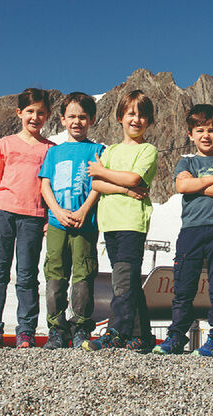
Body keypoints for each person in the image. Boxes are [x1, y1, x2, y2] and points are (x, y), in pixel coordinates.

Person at [152, 104, 213, 357]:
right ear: (190, 134)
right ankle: (177, 336)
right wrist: (211, 180)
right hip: (190, 232)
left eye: (212, 130)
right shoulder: (185, 161)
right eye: (199, 130)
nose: (206, 135)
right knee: (183, 288)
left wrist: (195, 184)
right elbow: (181, 186)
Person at [82, 90, 158, 352]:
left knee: (122, 280)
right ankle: (142, 335)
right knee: (128, 280)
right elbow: (97, 183)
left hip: (132, 223)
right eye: (131, 114)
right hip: (110, 223)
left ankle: (116, 331)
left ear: (149, 121)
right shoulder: (111, 150)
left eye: (142, 115)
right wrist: (121, 187)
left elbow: (134, 178)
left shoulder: (148, 150)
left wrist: (105, 173)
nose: (136, 120)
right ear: (120, 117)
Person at [0, 88, 55, 349]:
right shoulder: (5, 144)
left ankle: (26, 330)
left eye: (41, 112)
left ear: (48, 116)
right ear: (19, 113)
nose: (35, 117)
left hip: (33, 218)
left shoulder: (50, 149)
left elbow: (50, 188)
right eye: (30, 111)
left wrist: (47, 218)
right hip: (3, 215)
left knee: (27, 276)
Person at [39, 92, 105, 349]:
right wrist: (56, 210)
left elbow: (98, 184)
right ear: (62, 120)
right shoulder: (55, 153)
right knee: (55, 274)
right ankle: (56, 329)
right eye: (72, 117)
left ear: (92, 120)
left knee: (83, 275)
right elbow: (46, 185)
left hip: (84, 225)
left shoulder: (98, 150)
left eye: (83, 117)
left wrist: (83, 211)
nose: (77, 122)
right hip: (57, 224)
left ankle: (81, 327)